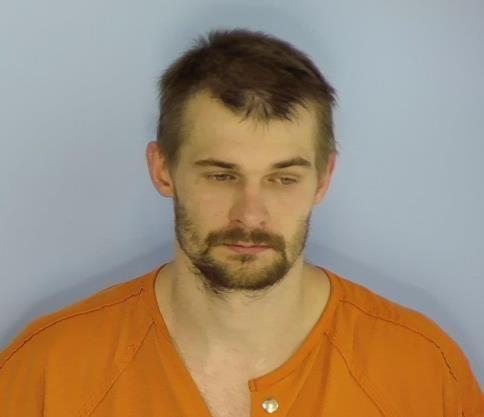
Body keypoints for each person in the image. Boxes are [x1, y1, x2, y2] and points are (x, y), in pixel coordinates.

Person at [0, 28, 482, 417]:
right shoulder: (47, 372)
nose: (250, 214)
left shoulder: (422, 369)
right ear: (163, 170)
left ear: (323, 180)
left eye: (283, 179)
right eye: (221, 175)